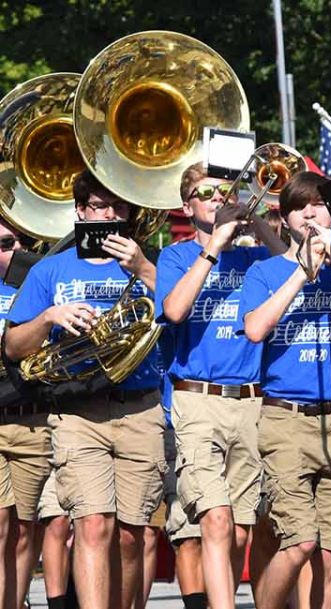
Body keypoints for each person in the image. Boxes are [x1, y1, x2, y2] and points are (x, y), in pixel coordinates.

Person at [5, 171, 165, 609]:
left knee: (131, 535)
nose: (109, 214)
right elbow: (14, 347)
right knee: (93, 525)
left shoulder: (151, 259)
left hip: (139, 408)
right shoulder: (50, 268)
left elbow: (180, 310)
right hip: (77, 412)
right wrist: (49, 317)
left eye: (119, 205)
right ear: (80, 211)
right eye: (99, 205)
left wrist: (143, 268)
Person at [159, 161, 285, 609]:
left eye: (224, 193)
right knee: (214, 520)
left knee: (241, 529)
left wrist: (255, 220)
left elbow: (292, 262)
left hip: (251, 401)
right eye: (207, 194)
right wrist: (214, 244)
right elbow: (174, 310)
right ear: (186, 206)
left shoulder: (253, 258)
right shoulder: (175, 257)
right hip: (198, 398)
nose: (218, 200)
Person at [237, 172, 331, 609]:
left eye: (318, 204)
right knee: (299, 541)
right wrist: (301, 273)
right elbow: (255, 329)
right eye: (299, 207)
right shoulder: (265, 271)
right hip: (285, 418)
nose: (310, 213)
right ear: (284, 219)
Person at [0, 217, 44, 609]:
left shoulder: (40, 282)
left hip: (34, 418)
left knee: (27, 530)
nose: (12, 252)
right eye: (2, 244)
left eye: (15, 242)